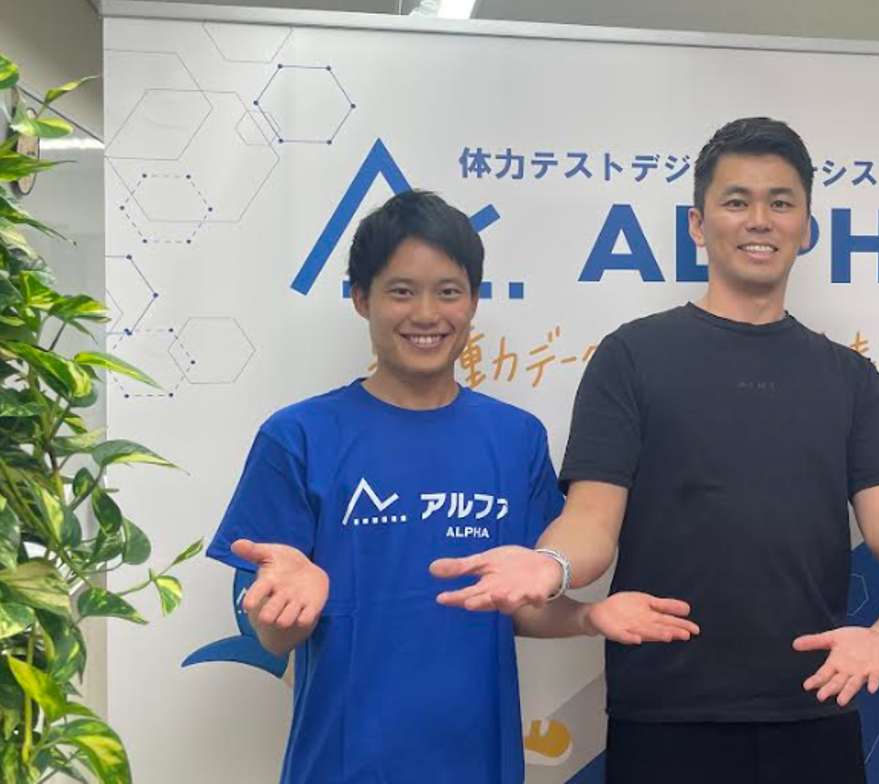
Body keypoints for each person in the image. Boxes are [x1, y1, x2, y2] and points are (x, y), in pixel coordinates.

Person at [428, 119, 879, 784]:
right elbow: (590, 520)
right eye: (736, 202)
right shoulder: (632, 358)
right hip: (666, 709)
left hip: (815, 701)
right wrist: (551, 566)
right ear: (698, 224)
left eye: (780, 202)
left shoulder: (848, 377)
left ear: (806, 225)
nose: (759, 220)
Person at [206, 190, 697, 784]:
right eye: (401, 291)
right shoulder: (299, 436)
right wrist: (291, 610)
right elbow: (273, 634)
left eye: (447, 291)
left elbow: (519, 602)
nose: (426, 314)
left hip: (480, 762)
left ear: (473, 301)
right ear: (361, 298)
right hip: (343, 764)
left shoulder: (515, 437)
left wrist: (590, 617)